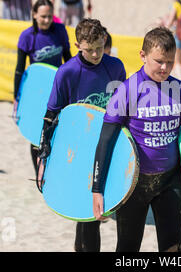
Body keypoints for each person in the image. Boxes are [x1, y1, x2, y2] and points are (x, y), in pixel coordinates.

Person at [92, 27, 181, 252]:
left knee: (173, 248)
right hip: (133, 184)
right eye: (159, 61)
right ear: (143, 56)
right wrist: (97, 189)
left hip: (170, 181)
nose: (165, 68)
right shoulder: (127, 91)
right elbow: (105, 140)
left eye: (169, 61)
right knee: (127, 248)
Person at [37, 18, 126, 252]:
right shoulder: (67, 73)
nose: (96, 54)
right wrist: (43, 158)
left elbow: (124, 110)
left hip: (106, 146)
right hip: (78, 149)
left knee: (92, 212)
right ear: (77, 46)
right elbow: (50, 117)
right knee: (89, 215)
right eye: (89, 49)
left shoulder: (115, 67)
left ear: (104, 40)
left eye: (99, 47)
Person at [14, 0, 72, 175]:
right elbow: (19, 70)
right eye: (43, 16)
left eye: (49, 16)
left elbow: (68, 60)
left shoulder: (60, 31)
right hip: (37, 93)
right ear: (34, 15)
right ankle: (38, 172)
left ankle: (52, 168)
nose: (46, 20)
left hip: (58, 89)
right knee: (36, 134)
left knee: (57, 132)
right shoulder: (27, 36)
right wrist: (17, 98)